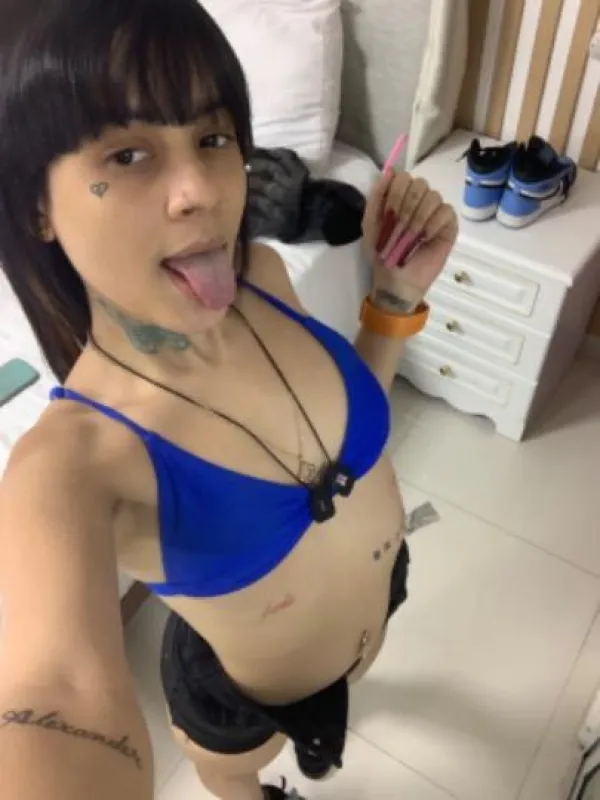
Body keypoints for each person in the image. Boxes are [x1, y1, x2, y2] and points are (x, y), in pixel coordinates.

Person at [0, 1, 458, 799]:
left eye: (213, 138)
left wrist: (392, 299)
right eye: (129, 154)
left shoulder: (269, 280)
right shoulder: (71, 466)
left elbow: (342, 445)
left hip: (377, 605)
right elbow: (57, 692)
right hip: (247, 705)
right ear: (38, 204)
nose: (200, 191)